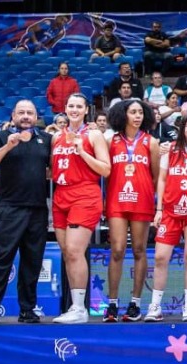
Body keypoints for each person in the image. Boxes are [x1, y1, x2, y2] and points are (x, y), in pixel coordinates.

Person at [0, 100, 53, 324]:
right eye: (21, 112)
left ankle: (27, 310)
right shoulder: (1, 137)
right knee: (2, 260)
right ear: (13, 116)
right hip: (10, 209)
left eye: (30, 112)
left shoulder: (46, 140)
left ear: (36, 116)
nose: (26, 116)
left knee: (32, 263)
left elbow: (51, 170)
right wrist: (8, 146)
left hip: (38, 209)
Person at [47, 94, 111, 324]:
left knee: (75, 250)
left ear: (86, 110)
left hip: (84, 194)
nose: (74, 109)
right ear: (65, 109)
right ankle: (74, 306)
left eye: (79, 106)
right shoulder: (56, 137)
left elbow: (105, 169)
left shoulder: (93, 135)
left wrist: (82, 152)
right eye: (70, 106)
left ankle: (79, 308)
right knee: (67, 253)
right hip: (61, 194)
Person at [146, 114, 187, 322]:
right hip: (171, 211)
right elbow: (162, 179)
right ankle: (155, 306)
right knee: (160, 257)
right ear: (183, 128)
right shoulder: (171, 148)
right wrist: (159, 209)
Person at [104, 99, 160, 322]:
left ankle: (135, 304)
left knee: (139, 250)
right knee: (117, 249)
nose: (137, 116)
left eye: (140, 112)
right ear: (122, 114)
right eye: (132, 112)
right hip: (117, 201)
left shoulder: (151, 142)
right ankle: (112, 303)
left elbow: (155, 176)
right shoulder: (111, 140)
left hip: (142, 201)